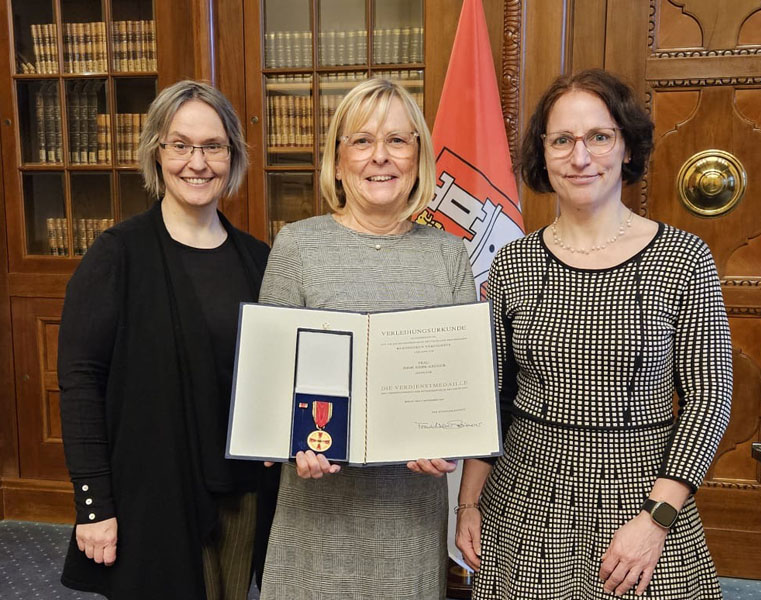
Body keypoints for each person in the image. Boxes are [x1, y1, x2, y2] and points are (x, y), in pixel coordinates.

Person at [456, 69, 732, 599]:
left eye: (599, 137)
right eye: (562, 140)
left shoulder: (685, 258)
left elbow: (709, 399)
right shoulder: (512, 263)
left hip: (642, 500)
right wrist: (469, 504)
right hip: (525, 501)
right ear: (544, 154)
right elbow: (489, 397)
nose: (580, 157)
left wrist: (656, 521)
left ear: (626, 147)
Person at [58, 80, 279, 599]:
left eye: (213, 147)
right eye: (180, 145)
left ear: (233, 157)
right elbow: (81, 383)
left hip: (247, 494)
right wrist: (94, 506)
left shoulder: (259, 259)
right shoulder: (118, 256)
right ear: (156, 153)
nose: (196, 163)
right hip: (154, 494)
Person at [257, 78, 476, 599]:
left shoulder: (448, 254)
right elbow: (272, 383)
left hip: (408, 510)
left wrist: (447, 438)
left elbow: (460, 385)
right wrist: (290, 441)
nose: (381, 157)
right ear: (337, 161)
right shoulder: (296, 245)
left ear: (419, 157)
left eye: (398, 141)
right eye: (361, 141)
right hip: (316, 507)